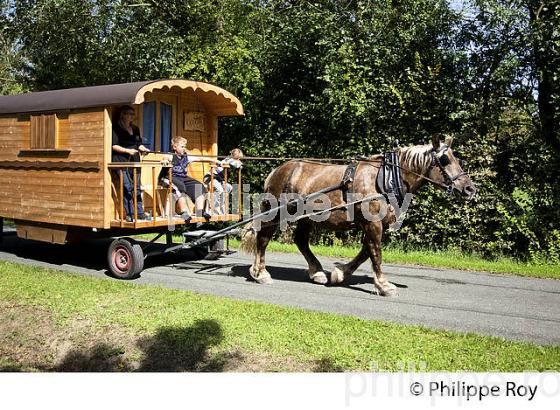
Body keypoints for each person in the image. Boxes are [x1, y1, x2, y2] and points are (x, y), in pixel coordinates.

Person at [161, 136, 220, 222]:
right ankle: (183, 212)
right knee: (180, 186)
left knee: (199, 186)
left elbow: (200, 158)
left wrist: (216, 161)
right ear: (174, 147)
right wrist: (164, 161)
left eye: (185, 146)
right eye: (182, 146)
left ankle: (200, 211)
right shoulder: (170, 155)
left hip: (182, 177)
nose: (184, 148)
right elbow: (165, 158)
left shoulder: (186, 156)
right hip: (167, 177)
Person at [112, 105, 150, 222]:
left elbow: (138, 144)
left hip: (135, 161)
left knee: (137, 187)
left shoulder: (135, 128)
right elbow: (113, 145)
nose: (132, 116)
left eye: (133, 114)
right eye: (130, 114)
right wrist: (127, 150)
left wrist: (143, 148)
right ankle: (129, 213)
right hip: (120, 161)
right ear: (123, 114)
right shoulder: (115, 128)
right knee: (127, 187)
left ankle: (140, 212)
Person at [203, 148, 244, 214]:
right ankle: (212, 209)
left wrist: (239, 165)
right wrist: (240, 165)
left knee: (228, 187)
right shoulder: (228, 160)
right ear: (233, 156)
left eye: (239, 158)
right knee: (220, 190)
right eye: (238, 158)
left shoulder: (233, 161)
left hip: (218, 180)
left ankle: (220, 207)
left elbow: (237, 164)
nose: (239, 160)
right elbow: (236, 164)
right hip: (210, 177)